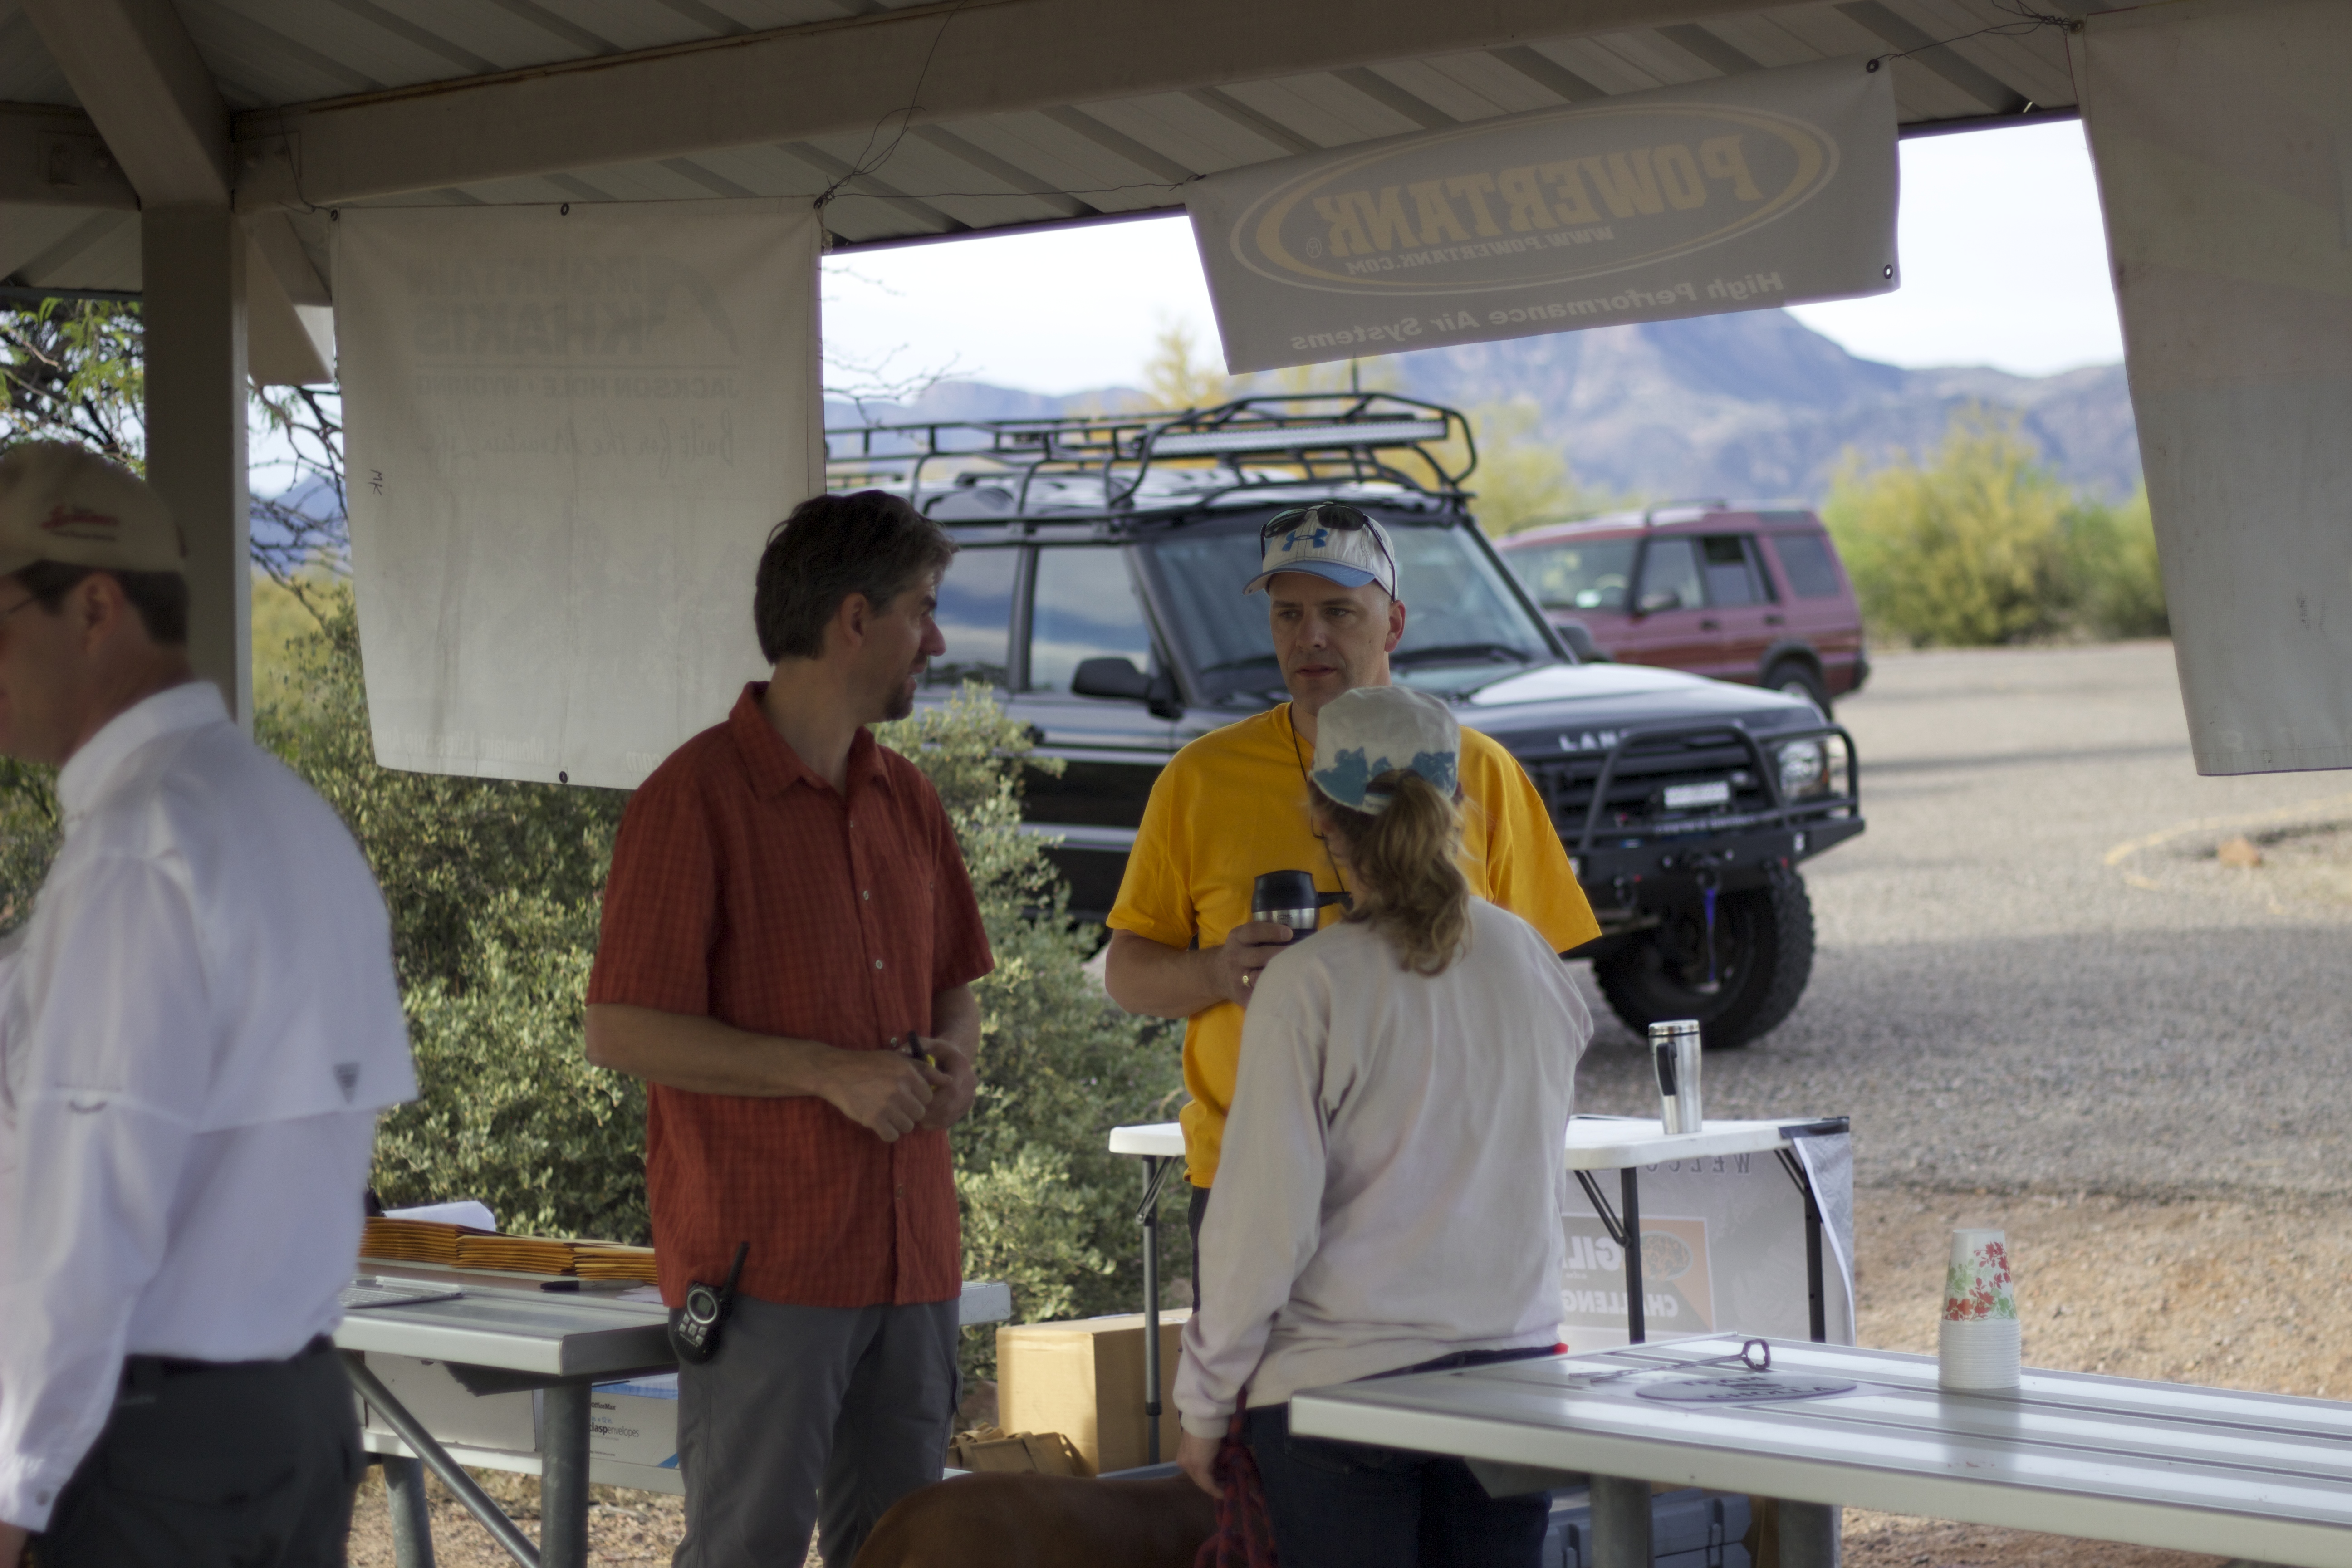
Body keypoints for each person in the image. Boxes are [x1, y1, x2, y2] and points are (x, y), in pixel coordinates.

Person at [0, 442, 416, 1567]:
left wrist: (14, 1491)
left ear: (95, 607)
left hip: (145, 1457)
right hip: (283, 1422)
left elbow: (86, 1222)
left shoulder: (138, 847)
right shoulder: (287, 817)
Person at [584, 489, 993, 1568]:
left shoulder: (909, 798)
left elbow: (955, 986)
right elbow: (620, 1030)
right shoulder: (691, 799)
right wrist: (827, 1073)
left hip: (912, 1259)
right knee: (747, 1551)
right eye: (923, 609)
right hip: (769, 1268)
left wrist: (957, 1061)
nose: (936, 641)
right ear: (855, 619)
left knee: (906, 1553)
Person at [1102, 503, 1600, 1261]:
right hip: (1254, 1181)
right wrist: (1217, 972)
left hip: (1443, 1181)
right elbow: (1128, 976)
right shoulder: (1198, 779)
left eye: (1338, 611)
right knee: (1252, 1349)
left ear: (1393, 624)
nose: (1310, 637)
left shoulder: (1481, 771)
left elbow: (1544, 1000)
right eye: (1288, 614)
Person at [1172, 684, 1592, 1568]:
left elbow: (1262, 1226)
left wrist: (1205, 1404)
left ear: (1322, 816)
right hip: (1513, 1373)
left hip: (1339, 1389)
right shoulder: (1531, 962)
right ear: (1458, 803)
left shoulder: (1309, 983)